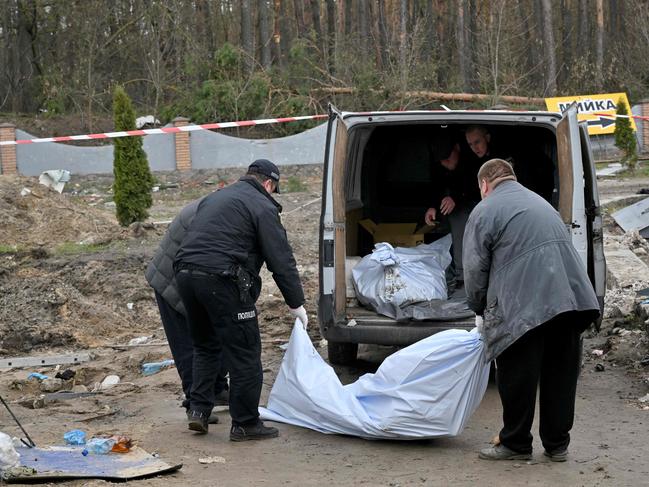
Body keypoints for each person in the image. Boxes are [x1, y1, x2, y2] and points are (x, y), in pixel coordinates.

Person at [463, 158, 600, 462]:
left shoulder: (484, 210)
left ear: (484, 184)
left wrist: (479, 307)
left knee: (517, 374)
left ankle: (515, 444)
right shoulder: (540, 202)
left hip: (523, 304)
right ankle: (557, 444)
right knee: (560, 373)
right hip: (571, 301)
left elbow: (474, 268)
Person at [174, 159, 307, 441]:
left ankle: (198, 410)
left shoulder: (218, 196)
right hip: (221, 279)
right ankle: (245, 423)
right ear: (269, 184)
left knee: (206, 346)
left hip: (185, 275)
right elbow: (280, 260)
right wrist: (296, 303)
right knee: (245, 352)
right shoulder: (263, 205)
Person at [145, 198, 229, 425]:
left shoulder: (222, 208)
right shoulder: (221, 215)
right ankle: (196, 403)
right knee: (191, 345)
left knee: (217, 335)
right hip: (171, 281)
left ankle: (217, 389)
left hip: (190, 275)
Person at [424, 132, 481, 286]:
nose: (447, 163)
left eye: (449, 158)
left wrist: (455, 197)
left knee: (460, 216)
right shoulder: (439, 165)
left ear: (457, 148)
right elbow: (436, 185)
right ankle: (457, 272)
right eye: (443, 161)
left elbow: (476, 187)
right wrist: (432, 206)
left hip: (475, 203)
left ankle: (463, 274)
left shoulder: (472, 160)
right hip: (454, 208)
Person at [465, 125, 554, 203]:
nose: (474, 148)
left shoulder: (507, 151)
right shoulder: (476, 161)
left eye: (477, 142)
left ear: (487, 138)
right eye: (470, 144)